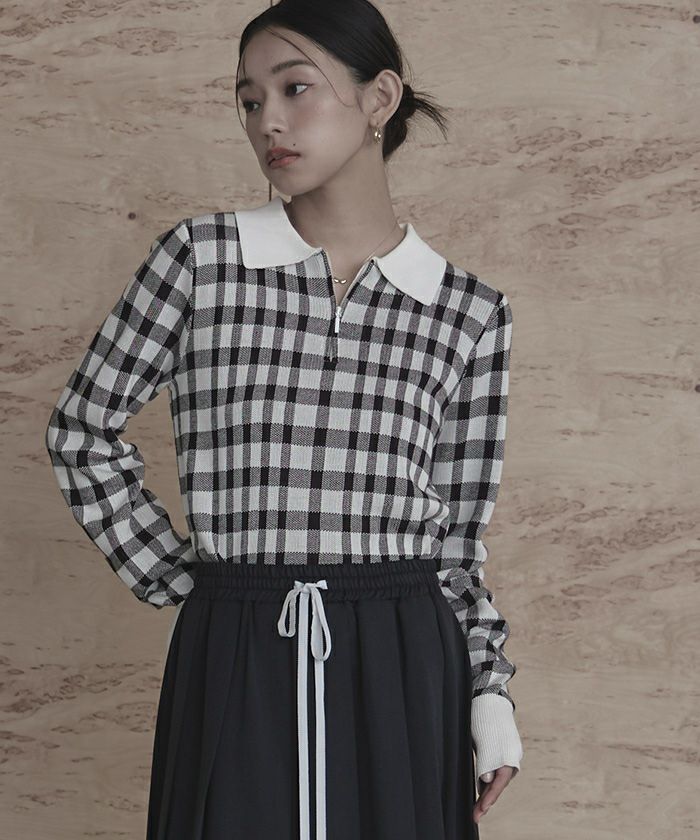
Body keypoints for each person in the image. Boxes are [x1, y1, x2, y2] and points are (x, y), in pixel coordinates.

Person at [44, 1, 523, 837]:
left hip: (404, 654)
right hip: (238, 640)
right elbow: (82, 431)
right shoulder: (201, 261)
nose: (268, 120)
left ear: (379, 99)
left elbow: (456, 541)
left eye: (295, 88)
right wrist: (187, 581)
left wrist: (490, 691)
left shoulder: (467, 311)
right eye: (249, 99)